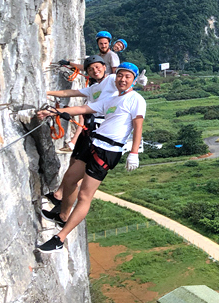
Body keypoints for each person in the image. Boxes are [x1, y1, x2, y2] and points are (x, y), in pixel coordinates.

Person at [36, 62, 146, 253]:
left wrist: (134, 153)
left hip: (109, 151)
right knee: (69, 179)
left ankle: (59, 239)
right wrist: (53, 112)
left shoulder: (136, 100)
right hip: (95, 144)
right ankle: (62, 215)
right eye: (120, 75)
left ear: (134, 81)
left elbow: (138, 127)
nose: (123, 79)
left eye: (128, 77)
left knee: (85, 195)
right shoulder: (112, 99)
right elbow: (83, 110)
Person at [45, 55, 116, 205]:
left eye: (97, 67)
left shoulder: (112, 79)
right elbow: (70, 93)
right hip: (89, 127)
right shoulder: (93, 88)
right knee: (73, 161)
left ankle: (61, 200)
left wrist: (137, 82)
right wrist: (48, 93)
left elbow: (125, 80)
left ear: (104, 67)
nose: (95, 71)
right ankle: (59, 195)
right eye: (91, 69)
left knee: (78, 166)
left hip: (99, 129)